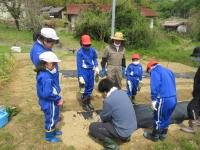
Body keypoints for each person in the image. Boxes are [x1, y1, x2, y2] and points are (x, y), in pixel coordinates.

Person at [89, 78, 137, 150]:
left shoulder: (108, 101)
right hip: (132, 127)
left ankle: (112, 146)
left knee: (93, 127)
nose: (102, 95)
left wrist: (97, 119)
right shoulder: (122, 92)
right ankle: (126, 138)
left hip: (122, 132)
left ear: (105, 92)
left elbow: (104, 117)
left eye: (101, 93)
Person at [143, 60, 177, 142]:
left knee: (158, 118)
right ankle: (163, 135)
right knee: (167, 116)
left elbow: (155, 86)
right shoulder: (169, 71)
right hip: (173, 97)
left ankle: (154, 136)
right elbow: (173, 84)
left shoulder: (155, 71)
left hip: (163, 99)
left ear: (150, 67)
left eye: (149, 71)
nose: (150, 73)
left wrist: (154, 99)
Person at [35, 51, 63, 142]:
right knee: (51, 117)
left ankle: (53, 131)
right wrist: (58, 98)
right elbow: (47, 93)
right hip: (49, 101)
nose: (55, 65)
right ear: (46, 64)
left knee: (53, 116)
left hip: (48, 100)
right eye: (53, 63)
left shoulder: (44, 73)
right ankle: (49, 136)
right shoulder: (46, 77)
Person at [30, 27, 60, 92]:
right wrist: (54, 87)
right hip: (49, 83)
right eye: (52, 43)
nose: (53, 45)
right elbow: (44, 72)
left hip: (52, 80)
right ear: (45, 40)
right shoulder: (38, 52)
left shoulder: (45, 46)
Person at [76, 34, 99, 112]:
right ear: (82, 44)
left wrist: (96, 66)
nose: (87, 46)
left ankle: (88, 101)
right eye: (85, 45)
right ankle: (84, 103)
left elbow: (95, 58)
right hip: (83, 71)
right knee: (83, 87)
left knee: (90, 86)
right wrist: (80, 76)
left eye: (89, 45)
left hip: (91, 71)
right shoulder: (79, 53)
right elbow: (79, 65)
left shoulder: (92, 50)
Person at [181, 49, 200, 133]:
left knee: (191, 107)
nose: (195, 58)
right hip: (198, 91)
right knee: (198, 106)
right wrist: (195, 91)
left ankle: (193, 127)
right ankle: (198, 121)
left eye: (196, 56)